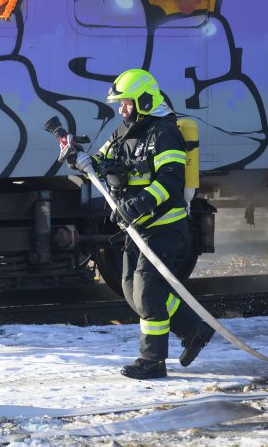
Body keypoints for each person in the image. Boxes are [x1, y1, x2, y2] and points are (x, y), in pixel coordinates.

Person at [90, 68, 214, 379]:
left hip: (165, 225)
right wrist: (78, 159)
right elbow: (100, 160)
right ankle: (194, 329)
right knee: (131, 290)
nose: (122, 110)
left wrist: (138, 204)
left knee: (146, 292)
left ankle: (152, 361)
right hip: (138, 226)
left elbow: (171, 182)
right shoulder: (123, 132)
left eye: (127, 103)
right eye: (120, 104)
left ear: (144, 101)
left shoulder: (164, 133)